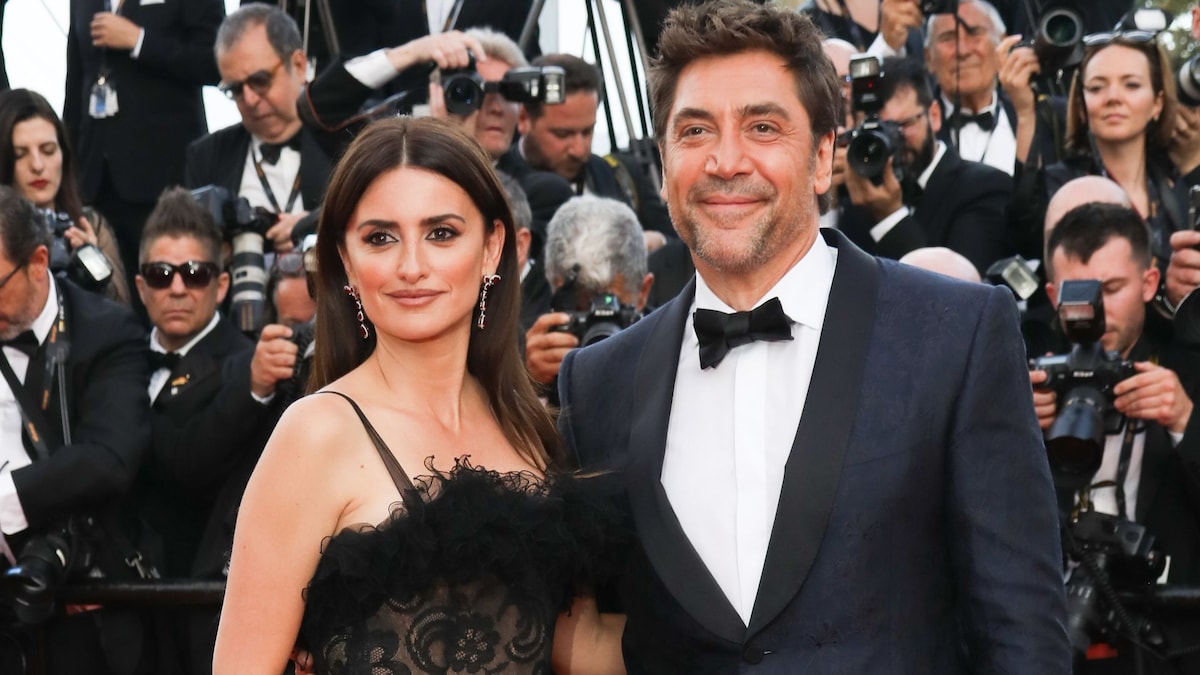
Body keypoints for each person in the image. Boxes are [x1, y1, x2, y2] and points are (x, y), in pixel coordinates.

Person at [556, 2, 1069, 671]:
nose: (725, 161)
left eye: (763, 127)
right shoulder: (597, 383)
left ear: (823, 156)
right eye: (696, 130)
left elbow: (1022, 636)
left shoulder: (956, 336)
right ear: (663, 160)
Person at [214, 117, 623, 674]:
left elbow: (585, 649)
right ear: (346, 261)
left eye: (441, 233)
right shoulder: (314, 435)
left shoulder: (530, 429)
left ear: (492, 247)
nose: (411, 267)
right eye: (380, 238)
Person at [132, 187, 295, 675]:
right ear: (140, 286)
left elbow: (194, 467)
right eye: (161, 275)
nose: (178, 288)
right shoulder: (114, 357)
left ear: (221, 285)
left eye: (195, 273)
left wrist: (254, 387)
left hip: (211, 607)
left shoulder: (250, 365)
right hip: (124, 609)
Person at [1034, 202, 1200, 674]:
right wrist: (1012, 431)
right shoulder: (1030, 376)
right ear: (1052, 295)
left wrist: (1185, 420)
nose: (1097, 310)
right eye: (1079, 293)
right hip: (1057, 636)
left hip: (1171, 639)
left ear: (1149, 283)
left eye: (1111, 289)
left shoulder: (1189, 370)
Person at [0, 186, 153, 674]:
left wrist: (3, 501)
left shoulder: (108, 331)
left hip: (87, 603)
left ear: (38, 262)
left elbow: (108, 459)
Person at [64, 0, 224, 310]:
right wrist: (67, 163)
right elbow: (76, 80)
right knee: (103, 298)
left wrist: (140, 41)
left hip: (165, 178)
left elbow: (214, 61)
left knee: (165, 292)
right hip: (95, 179)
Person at [1038, 31, 1198, 312]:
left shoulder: (1182, 191)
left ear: (1157, 103)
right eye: (1097, 87)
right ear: (1081, 105)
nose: (1113, 98)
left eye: (1131, 85)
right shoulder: (1054, 187)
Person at [839, 56, 1014, 274]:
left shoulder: (985, 187)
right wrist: (829, 201)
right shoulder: (858, 200)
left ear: (934, 115)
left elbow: (958, 289)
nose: (889, 141)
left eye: (902, 125)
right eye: (874, 131)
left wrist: (890, 216)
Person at [185, 4, 330, 254]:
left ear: (298, 65)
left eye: (260, 80)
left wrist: (316, 224)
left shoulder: (347, 139)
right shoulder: (206, 156)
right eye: (235, 89)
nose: (250, 99)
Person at [506, 53, 675, 250]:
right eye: (563, 134)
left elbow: (683, 249)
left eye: (587, 132)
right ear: (523, 119)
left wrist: (658, 242)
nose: (579, 150)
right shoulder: (496, 188)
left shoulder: (621, 175)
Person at [0, 88, 129, 306]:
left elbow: (124, 315)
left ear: (64, 155)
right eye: (20, 155)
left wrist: (94, 265)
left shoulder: (88, 224)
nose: (37, 165)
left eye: (48, 150)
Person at [524, 195, 654, 397]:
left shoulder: (675, 351)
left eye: (610, 308)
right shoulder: (525, 349)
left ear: (643, 293)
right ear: (555, 291)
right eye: (582, 309)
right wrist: (529, 385)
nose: (599, 334)